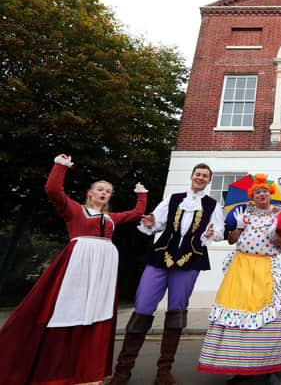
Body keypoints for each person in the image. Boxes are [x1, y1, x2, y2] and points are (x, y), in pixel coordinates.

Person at [0, 154, 147, 385]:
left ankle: (90, 372)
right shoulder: (75, 210)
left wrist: (142, 194)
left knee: (97, 313)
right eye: (100, 189)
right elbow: (53, 191)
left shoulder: (111, 218)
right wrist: (60, 166)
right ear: (90, 192)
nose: (103, 193)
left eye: (108, 191)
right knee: (68, 309)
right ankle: (58, 371)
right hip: (77, 266)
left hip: (103, 271)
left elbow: (137, 213)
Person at [109, 163, 225, 385]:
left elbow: (218, 232)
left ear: (209, 181)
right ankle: (122, 372)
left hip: (191, 259)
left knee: (176, 312)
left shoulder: (213, 205)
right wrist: (151, 222)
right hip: (161, 255)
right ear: (192, 177)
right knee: (142, 307)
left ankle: (164, 372)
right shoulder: (173, 199)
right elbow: (156, 222)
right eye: (197, 174)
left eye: (205, 176)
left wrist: (213, 232)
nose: (200, 178)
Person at [197, 174, 281, 385]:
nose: (262, 194)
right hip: (241, 267)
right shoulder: (244, 214)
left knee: (270, 320)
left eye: (264, 192)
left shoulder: (280, 216)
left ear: (270, 195)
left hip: (265, 267)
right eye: (257, 192)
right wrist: (239, 227)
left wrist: (274, 236)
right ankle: (240, 369)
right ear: (253, 197)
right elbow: (232, 240)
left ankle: (270, 368)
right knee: (237, 316)